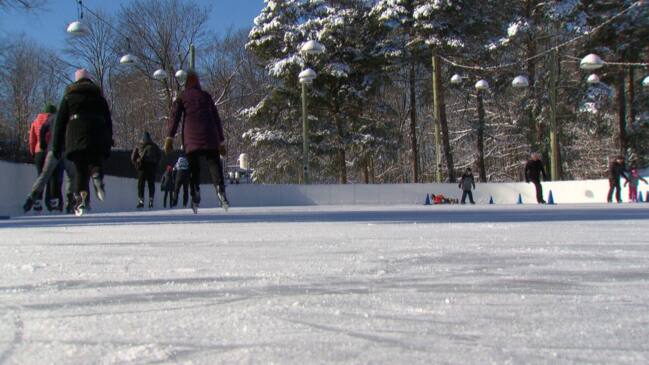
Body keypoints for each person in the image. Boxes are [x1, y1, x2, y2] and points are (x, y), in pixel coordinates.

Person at [164, 71, 229, 213]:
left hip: (191, 138)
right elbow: (216, 119)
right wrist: (221, 142)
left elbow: (175, 117)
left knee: (194, 167)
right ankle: (219, 188)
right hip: (210, 136)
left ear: (186, 83)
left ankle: (195, 191)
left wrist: (170, 137)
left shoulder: (182, 97)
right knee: (213, 162)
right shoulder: (206, 96)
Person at [51, 69, 113, 216]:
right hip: (96, 133)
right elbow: (108, 122)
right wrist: (108, 140)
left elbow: (59, 122)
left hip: (75, 135)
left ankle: (82, 202)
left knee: (80, 170)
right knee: (95, 160)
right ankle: (97, 175)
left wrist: (56, 145)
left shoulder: (69, 97)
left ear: (76, 81)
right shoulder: (99, 98)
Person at [27, 104, 57, 212]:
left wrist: (33, 152)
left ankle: (37, 202)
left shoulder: (35, 121)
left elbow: (32, 139)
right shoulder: (55, 121)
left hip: (38, 152)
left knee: (40, 176)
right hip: (51, 151)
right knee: (52, 177)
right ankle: (52, 203)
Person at [131, 131, 162, 208]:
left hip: (142, 168)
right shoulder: (154, 146)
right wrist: (156, 165)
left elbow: (132, 158)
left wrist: (136, 164)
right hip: (152, 168)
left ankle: (141, 201)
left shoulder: (139, 146)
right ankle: (151, 200)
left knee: (141, 185)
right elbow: (160, 156)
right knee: (151, 184)